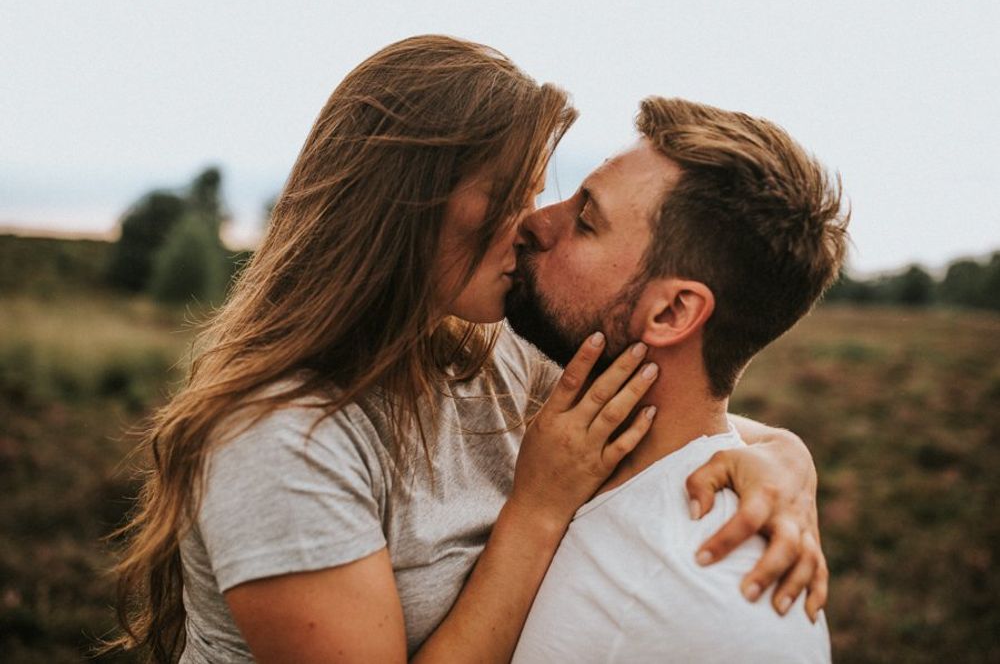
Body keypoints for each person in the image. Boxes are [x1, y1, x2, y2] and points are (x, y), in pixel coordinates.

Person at [108, 37, 827, 663]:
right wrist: (537, 511)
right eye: (511, 191)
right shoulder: (282, 439)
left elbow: (661, 410)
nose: (533, 222)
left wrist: (782, 458)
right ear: (409, 205)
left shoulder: (490, 356)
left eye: (553, 195)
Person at [507, 97, 848, 662]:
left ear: (671, 313)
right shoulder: (532, 406)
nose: (538, 221)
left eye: (585, 220)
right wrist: (786, 446)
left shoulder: (726, 605)